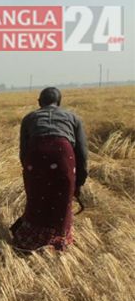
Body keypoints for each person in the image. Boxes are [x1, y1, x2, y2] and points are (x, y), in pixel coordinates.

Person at [13, 87, 88, 251]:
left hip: (36, 155)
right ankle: (59, 243)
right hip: (63, 156)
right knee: (63, 201)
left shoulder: (29, 118)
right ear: (59, 103)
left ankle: (32, 242)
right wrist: (79, 181)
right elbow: (81, 151)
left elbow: (24, 150)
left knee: (36, 198)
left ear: (39, 103)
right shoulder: (73, 118)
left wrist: (30, 172)